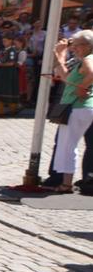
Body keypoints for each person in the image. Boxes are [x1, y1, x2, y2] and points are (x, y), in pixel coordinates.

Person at [50, 31, 93, 193]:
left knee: (68, 146)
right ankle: (65, 181)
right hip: (79, 108)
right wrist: (60, 55)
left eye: (77, 45)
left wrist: (82, 88)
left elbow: (91, 74)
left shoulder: (89, 59)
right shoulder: (83, 60)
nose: (73, 48)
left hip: (78, 107)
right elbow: (66, 77)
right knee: (67, 145)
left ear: (88, 46)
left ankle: (66, 184)